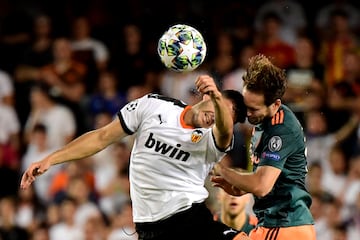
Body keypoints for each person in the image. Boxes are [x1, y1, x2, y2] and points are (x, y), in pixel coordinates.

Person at [20, 75, 247, 240]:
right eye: (220, 109)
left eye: (227, 117)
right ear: (205, 97)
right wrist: (51, 159)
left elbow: (225, 131)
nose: (219, 118)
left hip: (189, 219)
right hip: (148, 227)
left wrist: (218, 99)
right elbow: (101, 137)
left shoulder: (214, 139)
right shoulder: (153, 106)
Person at [211, 54, 316, 240]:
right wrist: (240, 186)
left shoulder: (281, 129)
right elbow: (269, 180)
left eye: (255, 109)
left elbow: (261, 186)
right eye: (246, 106)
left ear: (275, 105)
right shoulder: (263, 123)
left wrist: (222, 170)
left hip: (285, 227)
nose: (248, 114)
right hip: (273, 225)